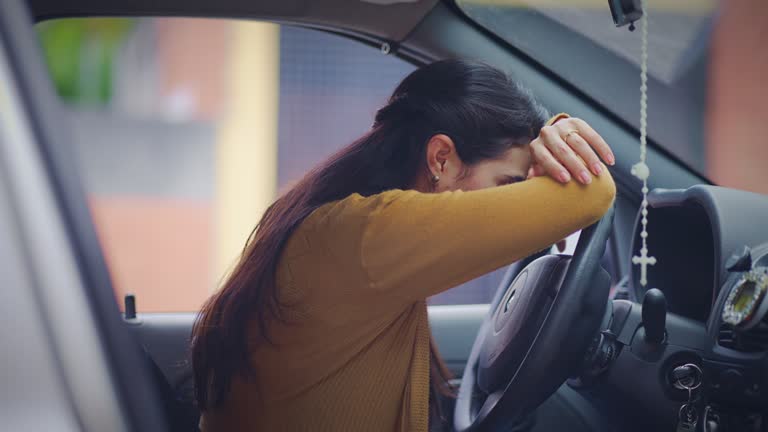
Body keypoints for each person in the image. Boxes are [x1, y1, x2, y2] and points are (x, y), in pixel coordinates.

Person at [192, 59, 616, 432]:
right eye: (507, 186)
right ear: (442, 159)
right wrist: (563, 135)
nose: (516, 204)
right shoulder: (372, 234)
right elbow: (591, 193)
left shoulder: (347, 228)